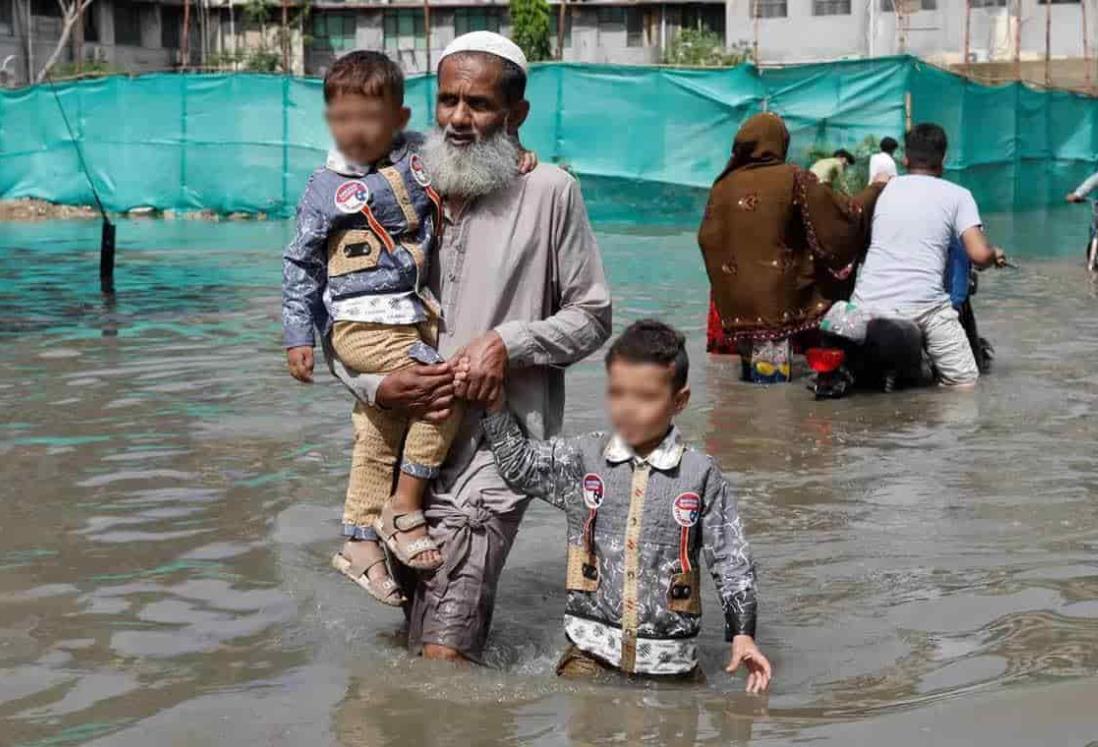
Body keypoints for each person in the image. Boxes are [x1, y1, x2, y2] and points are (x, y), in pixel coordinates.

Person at [328, 32, 612, 663]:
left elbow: (593, 315)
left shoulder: (549, 192)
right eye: (448, 100)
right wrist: (375, 385)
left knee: (443, 657)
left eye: (479, 104)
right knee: (410, 639)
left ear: (516, 114)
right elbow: (344, 310)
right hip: (400, 440)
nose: (459, 119)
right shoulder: (396, 187)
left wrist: (507, 344)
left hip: (493, 447)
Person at [282, 52, 538, 606]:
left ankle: (357, 540)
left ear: (398, 118)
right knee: (442, 388)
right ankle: (404, 505)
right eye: (341, 117)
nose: (355, 131)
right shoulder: (324, 188)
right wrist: (298, 333)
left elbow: (473, 151)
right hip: (360, 321)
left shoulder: (421, 157)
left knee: (377, 430)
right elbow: (300, 263)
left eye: (369, 118)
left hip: (407, 317)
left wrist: (516, 152)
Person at [481, 320, 771, 692]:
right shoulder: (584, 458)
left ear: (679, 401)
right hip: (588, 658)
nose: (628, 409)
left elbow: (732, 562)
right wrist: (494, 405)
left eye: (646, 397)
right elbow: (520, 466)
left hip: (671, 665)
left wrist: (743, 635)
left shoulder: (700, 475)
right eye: (618, 394)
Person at [698, 113, 884, 382]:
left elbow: (708, 238)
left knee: (747, 388)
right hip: (774, 305)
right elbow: (841, 216)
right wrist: (874, 191)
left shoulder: (722, 185)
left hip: (734, 306)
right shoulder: (793, 178)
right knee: (773, 396)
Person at [851, 123, 1004, 387]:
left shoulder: (882, 190)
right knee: (965, 382)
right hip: (924, 307)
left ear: (905, 158)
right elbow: (978, 254)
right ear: (943, 159)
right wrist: (995, 254)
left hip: (865, 304)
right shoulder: (958, 196)